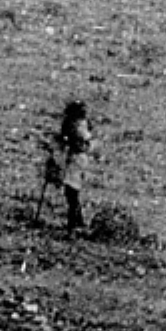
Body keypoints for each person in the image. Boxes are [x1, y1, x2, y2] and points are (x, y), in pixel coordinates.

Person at [47, 100, 95, 234]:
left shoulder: (77, 125)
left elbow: (81, 139)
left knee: (72, 193)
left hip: (76, 159)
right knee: (72, 193)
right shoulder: (80, 124)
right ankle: (77, 222)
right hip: (76, 158)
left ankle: (73, 225)